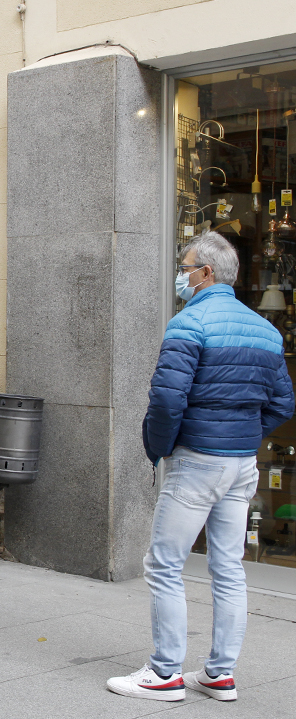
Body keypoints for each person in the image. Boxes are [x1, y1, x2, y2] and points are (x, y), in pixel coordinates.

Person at [107, 232, 294, 703]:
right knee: (228, 569)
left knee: (164, 565)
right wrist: (245, 437)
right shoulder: (266, 331)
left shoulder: (189, 324)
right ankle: (219, 674)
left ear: (205, 273)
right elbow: (282, 403)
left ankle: (165, 673)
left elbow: (167, 399)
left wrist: (161, 447)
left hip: (198, 462)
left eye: (185, 266)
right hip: (241, 464)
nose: (181, 274)